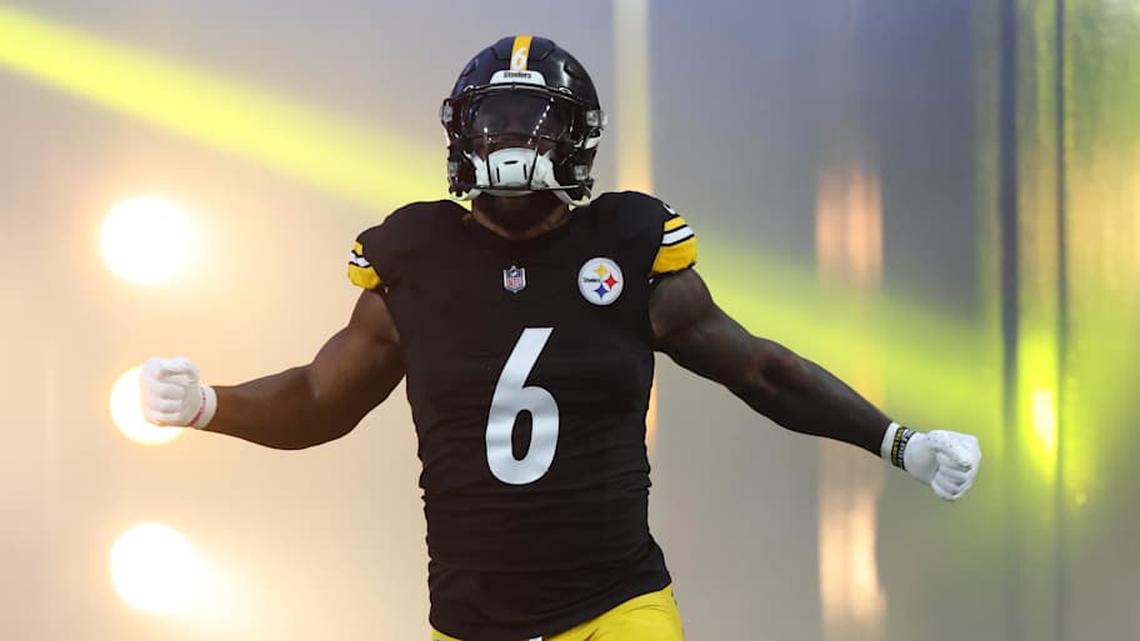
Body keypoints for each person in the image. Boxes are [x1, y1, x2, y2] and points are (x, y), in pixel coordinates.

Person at [139, 35, 981, 641]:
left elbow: (759, 369)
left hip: (617, 604)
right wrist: (210, 403)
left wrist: (897, 441)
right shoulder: (415, 258)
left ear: (576, 135)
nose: (510, 140)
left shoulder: (629, 246)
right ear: (460, 134)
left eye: (532, 120)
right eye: (494, 120)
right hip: (471, 618)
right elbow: (322, 399)